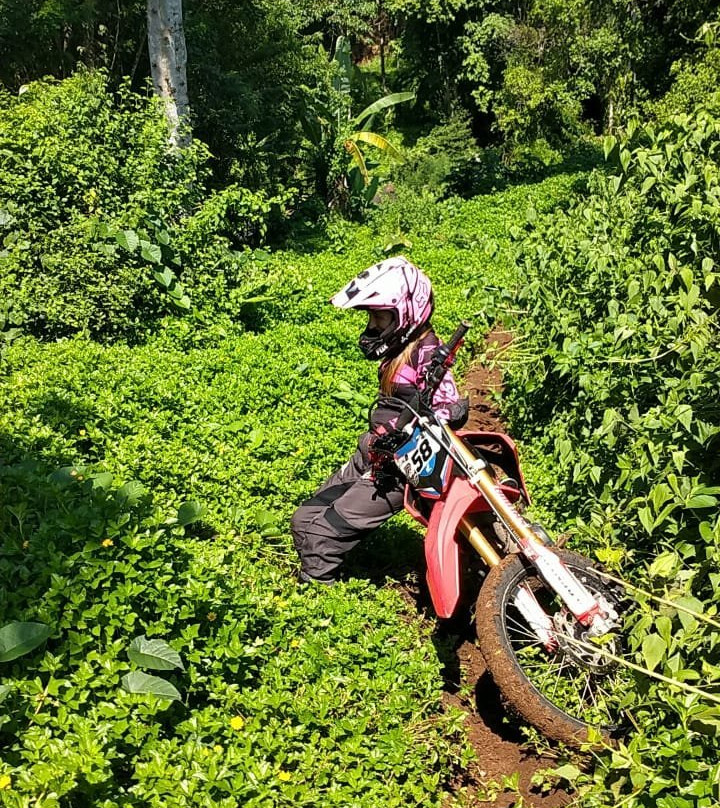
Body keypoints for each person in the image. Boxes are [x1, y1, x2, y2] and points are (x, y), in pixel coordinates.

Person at [291, 256, 469, 584]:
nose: (373, 327)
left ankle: (320, 599)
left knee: (320, 539)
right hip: (373, 451)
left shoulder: (427, 354)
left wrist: (437, 419)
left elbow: (446, 405)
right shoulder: (399, 351)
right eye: (371, 318)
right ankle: (323, 576)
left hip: (398, 469)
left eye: (380, 318)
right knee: (304, 521)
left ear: (405, 314)